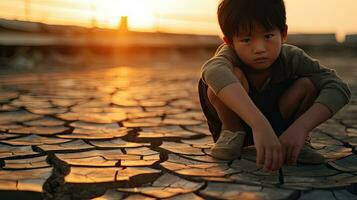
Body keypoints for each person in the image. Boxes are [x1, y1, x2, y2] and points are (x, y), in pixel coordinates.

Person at [198, 0, 351, 172]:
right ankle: (232, 132)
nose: (259, 48)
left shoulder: (292, 57)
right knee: (224, 77)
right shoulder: (228, 56)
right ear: (229, 42)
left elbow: (338, 87)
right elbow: (211, 70)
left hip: (281, 127)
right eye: (246, 39)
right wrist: (259, 124)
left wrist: (301, 128)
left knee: (308, 85)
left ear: (283, 33)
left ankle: (295, 142)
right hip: (240, 122)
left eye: (268, 36)